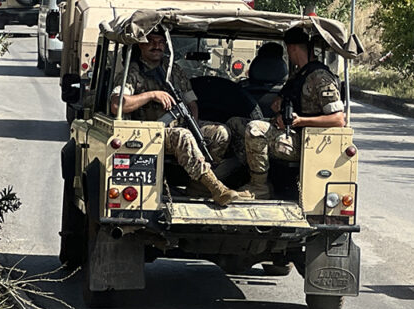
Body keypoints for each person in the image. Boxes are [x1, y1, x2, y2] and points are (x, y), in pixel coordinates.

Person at [111, 29, 250, 207]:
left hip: (181, 124)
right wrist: (152, 95)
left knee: (220, 133)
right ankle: (217, 189)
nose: (156, 46)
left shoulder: (173, 71)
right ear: (140, 44)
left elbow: (191, 102)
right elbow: (117, 105)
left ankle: (198, 186)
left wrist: (193, 123)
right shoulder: (132, 72)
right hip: (150, 132)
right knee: (183, 136)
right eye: (151, 41)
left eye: (161, 42)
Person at [243, 25, 346, 199]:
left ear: (292, 48)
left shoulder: (320, 77)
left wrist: (301, 121)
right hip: (291, 132)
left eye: (288, 51)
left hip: (307, 143)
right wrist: (280, 109)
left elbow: (338, 120)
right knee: (238, 124)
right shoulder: (299, 75)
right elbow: (285, 100)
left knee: (254, 128)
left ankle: (259, 187)